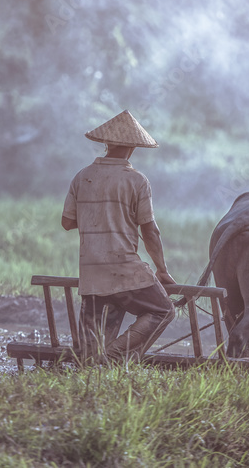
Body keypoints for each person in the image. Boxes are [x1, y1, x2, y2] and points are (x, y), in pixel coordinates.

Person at [61, 110, 177, 363]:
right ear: (133, 147)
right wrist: (161, 269)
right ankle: (113, 356)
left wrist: (97, 212)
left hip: (92, 273)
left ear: (107, 144)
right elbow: (149, 230)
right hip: (125, 271)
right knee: (164, 311)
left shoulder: (83, 177)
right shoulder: (136, 181)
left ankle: (100, 362)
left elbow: (67, 222)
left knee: (90, 356)